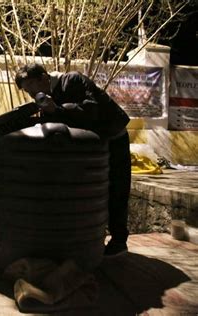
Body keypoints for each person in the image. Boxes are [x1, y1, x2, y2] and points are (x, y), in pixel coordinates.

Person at [15, 63, 131, 257]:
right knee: (89, 193)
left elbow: (90, 112)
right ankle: (89, 239)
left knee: (116, 190)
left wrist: (57, 109)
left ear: (44, 78)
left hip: (113, 138)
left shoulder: (73, 81)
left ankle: (119, 242)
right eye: (27, 91)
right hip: (90, 147)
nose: (31, 94)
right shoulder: (46, 98)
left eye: (32, 88)